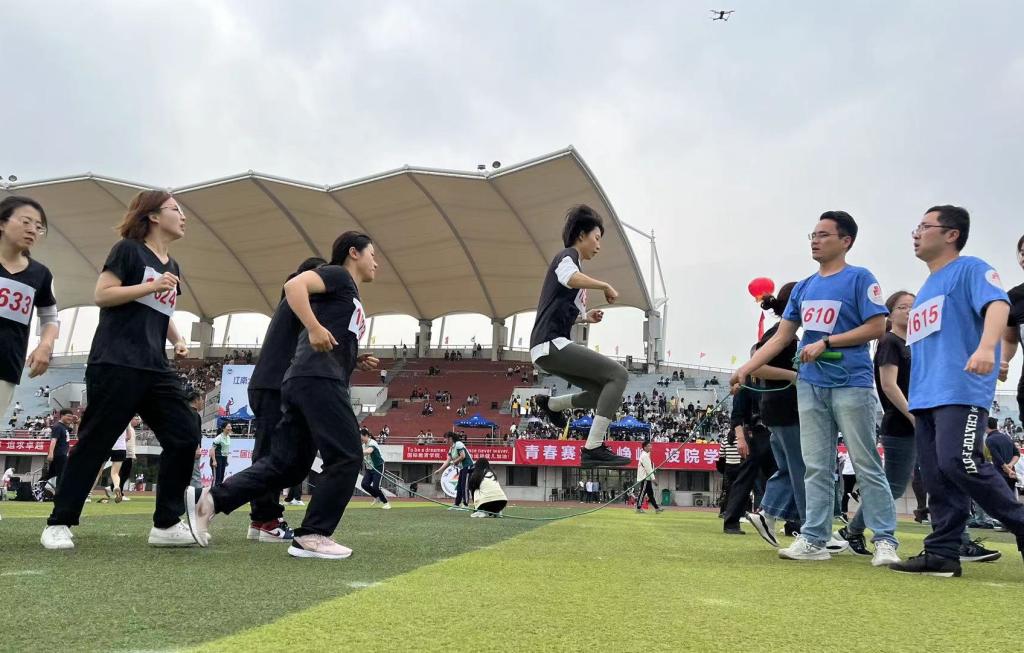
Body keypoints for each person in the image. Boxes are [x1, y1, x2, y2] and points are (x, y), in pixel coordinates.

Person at [187, 231, 379, 560]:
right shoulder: (338, 275)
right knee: (347, 456)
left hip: (305, 378)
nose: (377, 262)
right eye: (372, 254)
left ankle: (211, 501)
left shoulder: (345, 292)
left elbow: (330, 330)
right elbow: (293, 286)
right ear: (354, 253)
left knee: (286, 465)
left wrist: (351, 354)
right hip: (319, 379)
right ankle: (313, 534)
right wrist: (314, 327)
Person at [730, 210, 898, 565]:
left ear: (846, 241)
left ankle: (885, 540)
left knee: (865, 462)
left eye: (823, 235)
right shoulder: (804, 287)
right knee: (816, 466)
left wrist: (828, 342)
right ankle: (814, 538)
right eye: (813, 235)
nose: (815, 241)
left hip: (851, 383)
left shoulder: (860, 278)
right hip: (810, 385)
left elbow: (877, 326)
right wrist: (745, 369)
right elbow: (782, 338)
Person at [42, 190, 201, 550]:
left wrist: (177, 338)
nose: (184, 217)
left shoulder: (173, 265)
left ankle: (166, 524)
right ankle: (60, 522)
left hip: (155, 366)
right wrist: (152, 284)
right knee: (96, 442)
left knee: (185, 433)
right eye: (176, 209)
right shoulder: (128, 250)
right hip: (116, 361)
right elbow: (103, 294)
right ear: (153, 216)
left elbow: (160, 310)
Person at [891, 205, 1024, 577]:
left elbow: (998, 305)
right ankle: (942, 552)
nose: (916, 233)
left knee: (960, 462)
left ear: (951, 234)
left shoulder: (972, 269)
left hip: (960, 389)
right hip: (926, 396)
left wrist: (986, 348)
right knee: (936, 475)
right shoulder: (926, 289)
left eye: (925, 226)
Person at [531, 205, 630, 468]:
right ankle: (593, 447)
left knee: (603, 393)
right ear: (581, 235)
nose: (598, 245)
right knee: (619, 375)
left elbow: (559, 309)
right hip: (550, 343)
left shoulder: (574, 264)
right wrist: (604, 285)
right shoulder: (567, 257)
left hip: (548, 346)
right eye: (596, 238)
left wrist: (585, 317)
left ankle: (552, 405)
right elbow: (570, 278)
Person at [242, 257, 326, 542]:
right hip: (274, 384)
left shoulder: (291, 301)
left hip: (271, 383)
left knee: (281, 455)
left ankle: (262, 517)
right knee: (271, 455)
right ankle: (263, 518)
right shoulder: (299, 299)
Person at [840, 292, 919, 555]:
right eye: (902, 307)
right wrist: (912, 415)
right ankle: (853, 531)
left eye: (913, 306)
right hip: (901, 423)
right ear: (890, 314)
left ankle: (852, 531)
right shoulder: (889, 342)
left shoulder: (916, 344)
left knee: (892, 485)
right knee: (891, 486)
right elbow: (888, 385)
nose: (909, 311)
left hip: (919, 422)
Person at [744, 283, 805, 547]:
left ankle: (768, 514)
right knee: (801, 469)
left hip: (778, 409)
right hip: (785, 408)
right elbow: (756, 366)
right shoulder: (782, 334)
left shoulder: (783, 333)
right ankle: (811, 528)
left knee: (790, 468)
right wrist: (793, 376)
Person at [0, 196, 59, 417]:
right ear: (2, 223)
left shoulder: (41, 274)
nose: (32, 230)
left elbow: (50, 317)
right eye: (25, 222)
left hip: (5, 367)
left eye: (38, 227)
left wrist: (45, 345)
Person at [722, 381, 776, 535]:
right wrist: (740, 438)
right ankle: (731, 521)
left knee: (784, 475)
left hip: (778, 432)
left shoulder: (776, 381)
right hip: (756, 433)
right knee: (746, 476)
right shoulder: (746, 382)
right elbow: (737, 415)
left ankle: (793, 522)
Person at [998, 233, 1024, 426]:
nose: (1023, 258)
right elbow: (1009, 339)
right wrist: (1003, 359)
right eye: (1022, 253)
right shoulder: (1014, 297)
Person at [435, 431, 474, 510]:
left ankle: (466, 505)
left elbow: (463, 456)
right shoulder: (451, 449)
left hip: (468, 466)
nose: (444, 440)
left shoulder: (458, 444)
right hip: (462, 468)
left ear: (450, 438)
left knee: (464, 485)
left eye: (445, 438)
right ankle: (457, 504)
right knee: (459, 486)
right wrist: (439, 470)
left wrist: (455, 461)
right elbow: (447, 461)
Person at [984, 417, 1019, 493]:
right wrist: (1010, 465)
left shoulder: (989, 439)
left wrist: (1008, 470)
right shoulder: (1006, 437)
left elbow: (998, 458)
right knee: (1011, 496)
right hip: (1011, 473)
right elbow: (1017, 454)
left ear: (986, 426)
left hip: (1000, 474)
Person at [44, 409, 75, 492]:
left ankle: (39, 488)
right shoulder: (58, 426)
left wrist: (74, 422)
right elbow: (54, 440)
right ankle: (59, 492)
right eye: (68, 416)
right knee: (61, 474)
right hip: (59, 454)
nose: (70, 418)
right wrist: (51, 453)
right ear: (62, 416)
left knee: (51, 474)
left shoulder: (64, 427)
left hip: (62, 454)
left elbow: (72, 429)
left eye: (71, 416)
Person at [360, 428, 390, 509]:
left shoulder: (372, 443)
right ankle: (377, 497)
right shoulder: (363, 445)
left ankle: (386, 503)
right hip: (369, 468)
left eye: (362, 438)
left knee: (376, 487)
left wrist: (358, 451)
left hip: (378, 467)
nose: (361, 440)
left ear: (366, 436)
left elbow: (369, 451)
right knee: (364, 484)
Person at [635, 441, 662, 514]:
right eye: (649, 446)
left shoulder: (646, 454)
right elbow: (648, 469)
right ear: (645, 447)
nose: (651, 447)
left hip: (647, 478)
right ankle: (638, 508)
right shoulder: (644, 456)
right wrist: (653, 479)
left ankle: (656, 508)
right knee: (642, 493)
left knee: (650, 494)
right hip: (645, 478)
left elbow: (649, 468)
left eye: (651, 446)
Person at [120, 416, 139, 501]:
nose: (137, 421)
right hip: (126, 453)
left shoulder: (131, 428)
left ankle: (112, 487)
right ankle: (119, 492)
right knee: (124, 474)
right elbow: (127, 440)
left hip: (129, 454)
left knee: (124, 474)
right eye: (136, 419)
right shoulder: (127, 427)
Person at [211, 423, 232, 487]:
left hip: (223, 459)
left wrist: (226, 460)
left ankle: (218, 491)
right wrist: (214, 461)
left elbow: (226, 450)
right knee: (217, 478)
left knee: (221, 478)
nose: (230, 428)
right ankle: (213, 491)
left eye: (230, 426)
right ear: (223, 428)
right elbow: (212, 449)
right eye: (228, 426)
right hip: (217, 458)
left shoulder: (228, 437)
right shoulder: (219, 437)